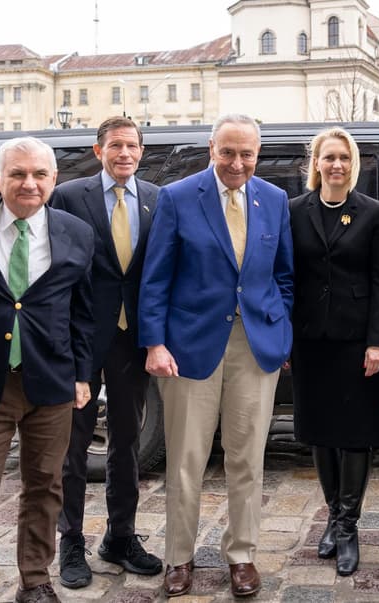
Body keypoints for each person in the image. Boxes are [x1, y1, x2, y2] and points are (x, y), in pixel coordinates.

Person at [139, 113, 294, 598]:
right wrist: (155, 343)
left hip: (255, 348)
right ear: (211, 148)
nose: (237, 162)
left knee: (247, 458)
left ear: (257, 154)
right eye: (228, 152)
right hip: (188, 350)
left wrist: (280, 329)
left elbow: (284, 276)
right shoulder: (179, 197)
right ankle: (179, 558)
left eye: (247, 153)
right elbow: (156, 277)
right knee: (186, 460)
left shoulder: (274, 200)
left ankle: (242, 554)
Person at [0, 136, 94, 603]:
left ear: (54, 179)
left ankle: (35, 579)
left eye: (39, 175)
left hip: (51, 383)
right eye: (17, 174)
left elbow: (84, 311)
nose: (29, 183)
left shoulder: (77, 233)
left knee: (45, 489)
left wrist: (83, 374)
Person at [48, 116, 162, 588]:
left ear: (141, 151)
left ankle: (120, 536)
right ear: (99, 151)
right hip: (82, 336)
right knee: (73, 445)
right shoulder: (70, 197)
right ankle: (70, 540)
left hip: (130, 339)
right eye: (115, 146)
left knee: (127, 441)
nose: (125, 154)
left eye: (132, 146)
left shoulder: (156, 199)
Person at [289, 127, 379, 577]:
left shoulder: (372, 213)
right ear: (316, 163)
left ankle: (348, 526)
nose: (336, 165)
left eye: (344, 158)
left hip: (356, 343)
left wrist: (377, 341)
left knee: (355, 434)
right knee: (320, 431)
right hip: (311, 339)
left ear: (354, 164)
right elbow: (287, 276)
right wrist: (286, 339)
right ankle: (333, 513)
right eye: (329, 157)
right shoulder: (294, 211)